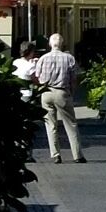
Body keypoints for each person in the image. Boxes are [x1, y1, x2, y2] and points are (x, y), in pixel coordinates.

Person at [31, 34, 85, 164]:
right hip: (62, 92)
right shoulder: (69, 58)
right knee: (70, 124)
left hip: (46, 92)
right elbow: (74, 78)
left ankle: (55, 154)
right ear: (62, 44)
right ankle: (77, 155)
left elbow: (37, 76)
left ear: (50, 44)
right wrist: (71, 92)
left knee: (50, 124)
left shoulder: (43, 58)